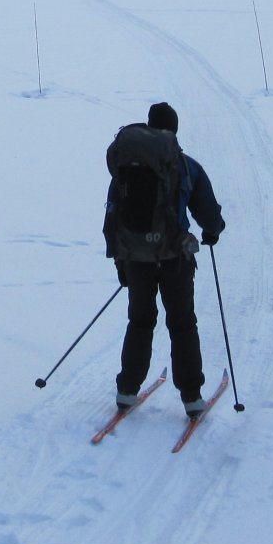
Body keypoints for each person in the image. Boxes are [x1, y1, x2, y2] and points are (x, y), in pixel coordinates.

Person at [103, 101, 225, 417]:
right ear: (174, 130)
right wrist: (213, 231)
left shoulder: (126, 168)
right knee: (182, 322)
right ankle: (192, 397)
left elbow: (113, 216)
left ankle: (127, 390)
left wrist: (120, 260)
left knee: (140, 321)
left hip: (136, 258)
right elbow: (208, 213)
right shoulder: (185, 166)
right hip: (175, 258)